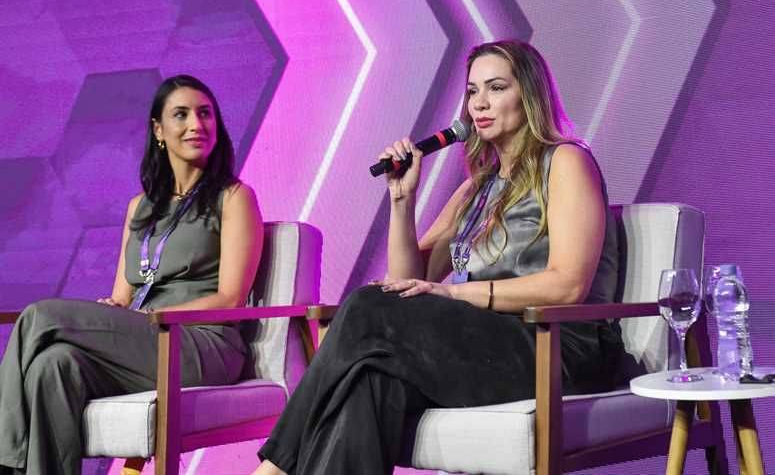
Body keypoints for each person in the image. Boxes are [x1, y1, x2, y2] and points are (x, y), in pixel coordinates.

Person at [252, 40, 624, 475]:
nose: (478, 103)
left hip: (556, 346)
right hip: (486, 343)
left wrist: (453, 294)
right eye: (472, 91)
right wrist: (402, 200)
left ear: (530, 94)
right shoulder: (476, 189)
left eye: (496, 88)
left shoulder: (565, 161)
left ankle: (272, 470)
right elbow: (406, 281)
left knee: (367, 306)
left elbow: (568, 284)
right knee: (371, 380)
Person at [0, 75, 263, 475]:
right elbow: (123, 296)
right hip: (146, 342)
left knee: (39, 316)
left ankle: (4, 462)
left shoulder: (234, 197)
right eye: (181, 115)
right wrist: (115, 311)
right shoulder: (139, 207)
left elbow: (230, 298)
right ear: (158, 130)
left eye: (205, 113)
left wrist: (147, 318)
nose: (197, 124)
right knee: (51, 365)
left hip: (201, 346)